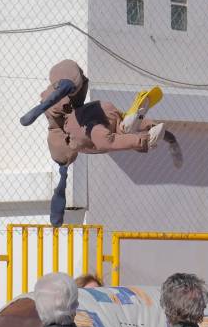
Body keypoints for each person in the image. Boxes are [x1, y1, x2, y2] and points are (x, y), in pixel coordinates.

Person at [20, 59, 182, 225]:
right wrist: (170, 138)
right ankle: (129, 125)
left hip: (89, 125)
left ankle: (142, 137)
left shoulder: (70, 133)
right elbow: (67, 82)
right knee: (119, 126)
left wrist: (147, 141)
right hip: (102, 110)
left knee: (106, 140)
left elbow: (93, 143)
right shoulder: (65, 105)